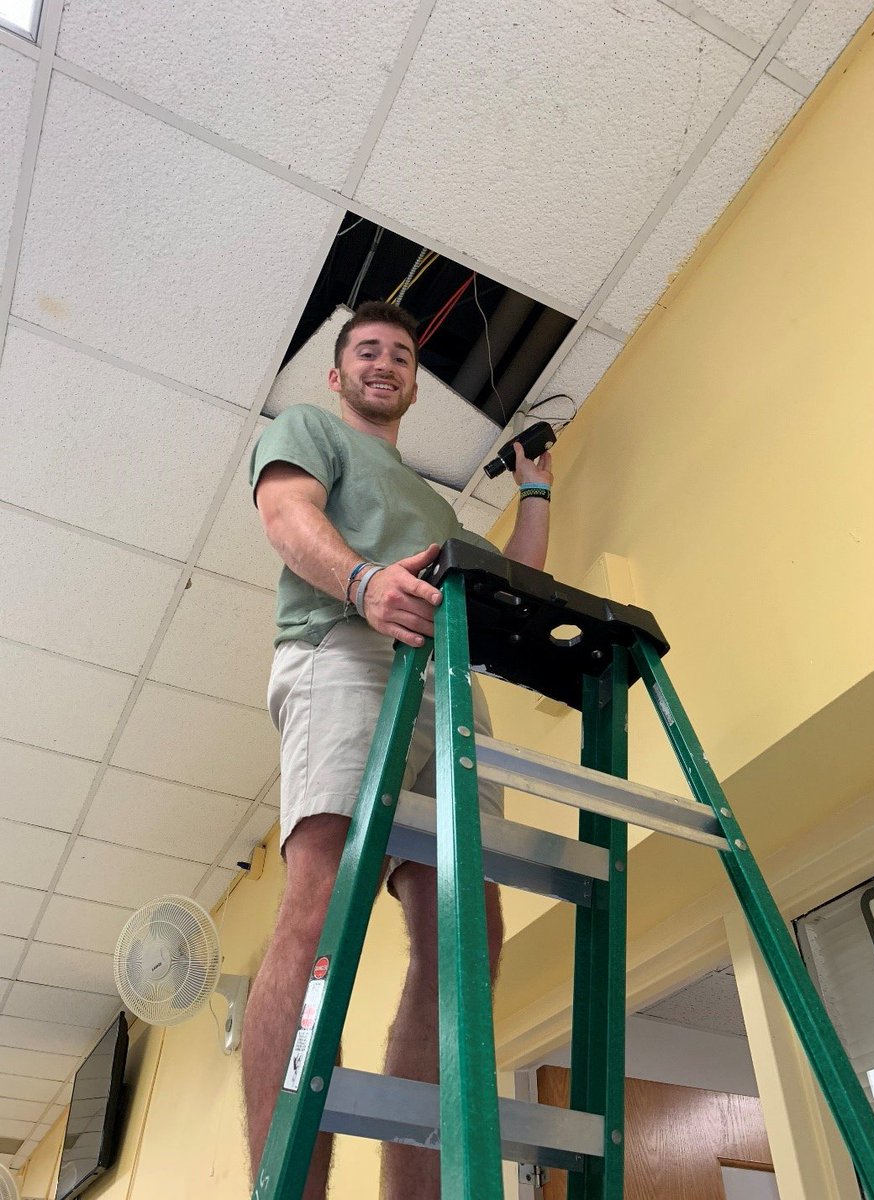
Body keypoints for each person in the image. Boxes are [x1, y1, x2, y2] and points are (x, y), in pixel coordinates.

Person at [242, 300, 552, 1198]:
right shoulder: (307, 429)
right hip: (346, 649)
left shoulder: (436, 505)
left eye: (402, 355)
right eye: (366, 351)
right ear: (338, 376)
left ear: (415, 384)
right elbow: (284, 514)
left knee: (468, 936)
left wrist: (533, 487)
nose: (385, 363)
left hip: (445, 689)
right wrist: (363, 581)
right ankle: (287, 1183)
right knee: (322, 899)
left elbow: (515, 581)